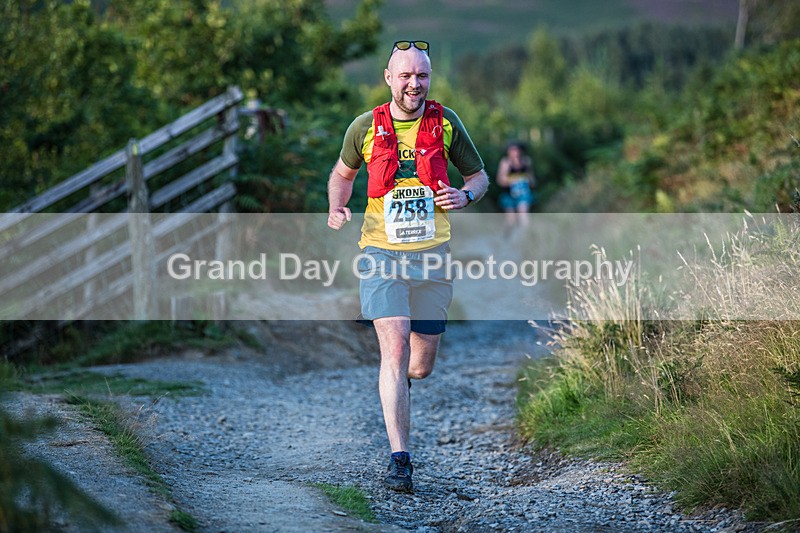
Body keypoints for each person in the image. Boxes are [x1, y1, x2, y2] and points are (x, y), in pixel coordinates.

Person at [327, 40, 489, 492]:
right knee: (393, 353)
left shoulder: (447, 123)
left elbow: (479, 177)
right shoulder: (364, 127)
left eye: (422, 76)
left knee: (420, 365)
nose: (414, 84)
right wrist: (337, 208)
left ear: (429, 78)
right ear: (388, 77)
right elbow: (342, 176)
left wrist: (466, 195)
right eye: (406, 75)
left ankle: (402, 384)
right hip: (380, 254)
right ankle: (400, 459)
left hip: (433, 257)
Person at [496, 141, 535, 233]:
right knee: (511, 220)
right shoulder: (505, 163)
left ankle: (526, 238)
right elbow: (500, 180)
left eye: (516, 150)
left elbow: (532, 181)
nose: (515, 152)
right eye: (512, 150)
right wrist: (514, 179)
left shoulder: (526, 162)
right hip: (509, 194)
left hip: (523, 194)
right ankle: (506, 238)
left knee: (523, 216)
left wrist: (526, 179)